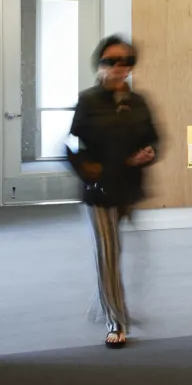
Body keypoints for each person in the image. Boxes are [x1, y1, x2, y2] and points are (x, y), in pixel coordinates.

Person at [69, 35, 160, 349]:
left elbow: (154, 137)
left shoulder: (139, 102)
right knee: (109, 255)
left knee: (123, 255)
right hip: (100, 190)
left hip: (129, 188)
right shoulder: (88, 101)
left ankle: (105, 302)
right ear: (100, 64)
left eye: (127, 61)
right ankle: (116, 322)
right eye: (112, 61)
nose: (120, 67)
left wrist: (148, 152)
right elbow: (71, 143)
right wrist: (88, 169)